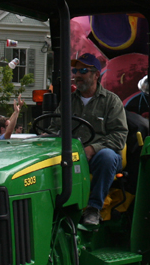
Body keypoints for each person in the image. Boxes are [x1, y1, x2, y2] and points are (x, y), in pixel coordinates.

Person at [49, 53, 127, 226]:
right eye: (75, 71)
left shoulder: (111, 102)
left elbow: (119, 135)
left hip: (97, 158)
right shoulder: (67, 102)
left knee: (107, 157)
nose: (77, 75)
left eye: (83, 71)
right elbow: (54, 128)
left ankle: (93, 208)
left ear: (96, 75)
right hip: (70, 156)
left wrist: (93, 149)